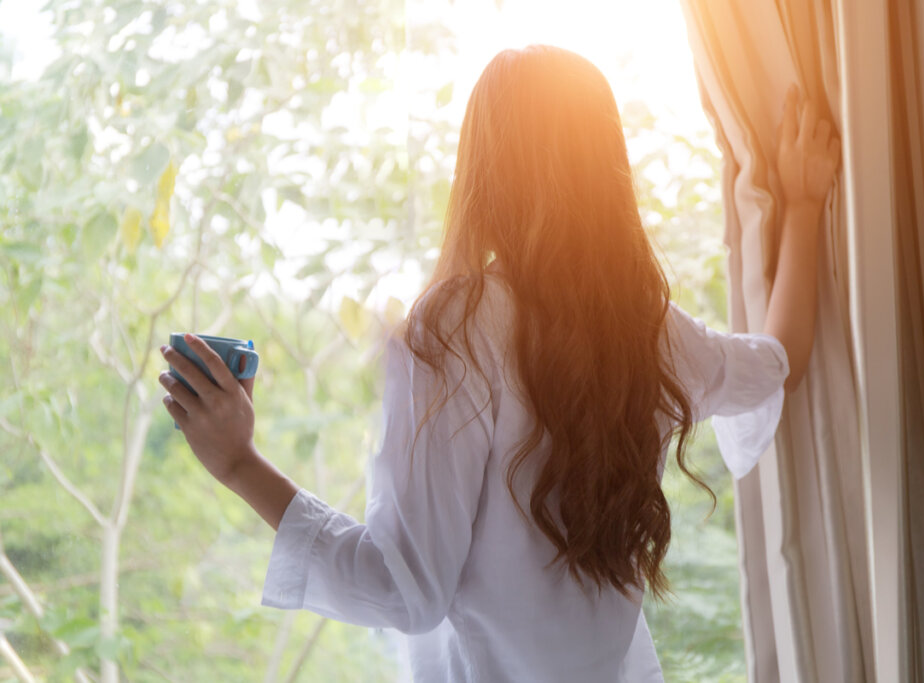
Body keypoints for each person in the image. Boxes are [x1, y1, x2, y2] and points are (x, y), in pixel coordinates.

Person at [157, 45, 839, 682]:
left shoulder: (454, 329)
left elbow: (405, 591)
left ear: (481, 170)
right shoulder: (652, 331)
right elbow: (781, 361)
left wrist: (238, 463)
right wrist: (806, 204)